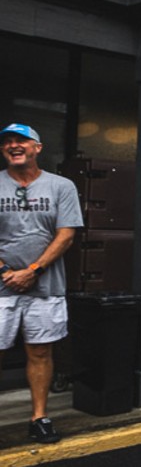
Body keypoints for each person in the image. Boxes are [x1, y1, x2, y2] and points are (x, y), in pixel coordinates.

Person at [0, 123, 83, 444]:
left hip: (46, 287)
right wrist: (8, 270)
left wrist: (32, 270)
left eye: (21, 140)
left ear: (37, 147)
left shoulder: (61, 186)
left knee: (40, 352)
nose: (13, 145)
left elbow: (67, 234)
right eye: (7, 142)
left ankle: (39, 417)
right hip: (3, 285)